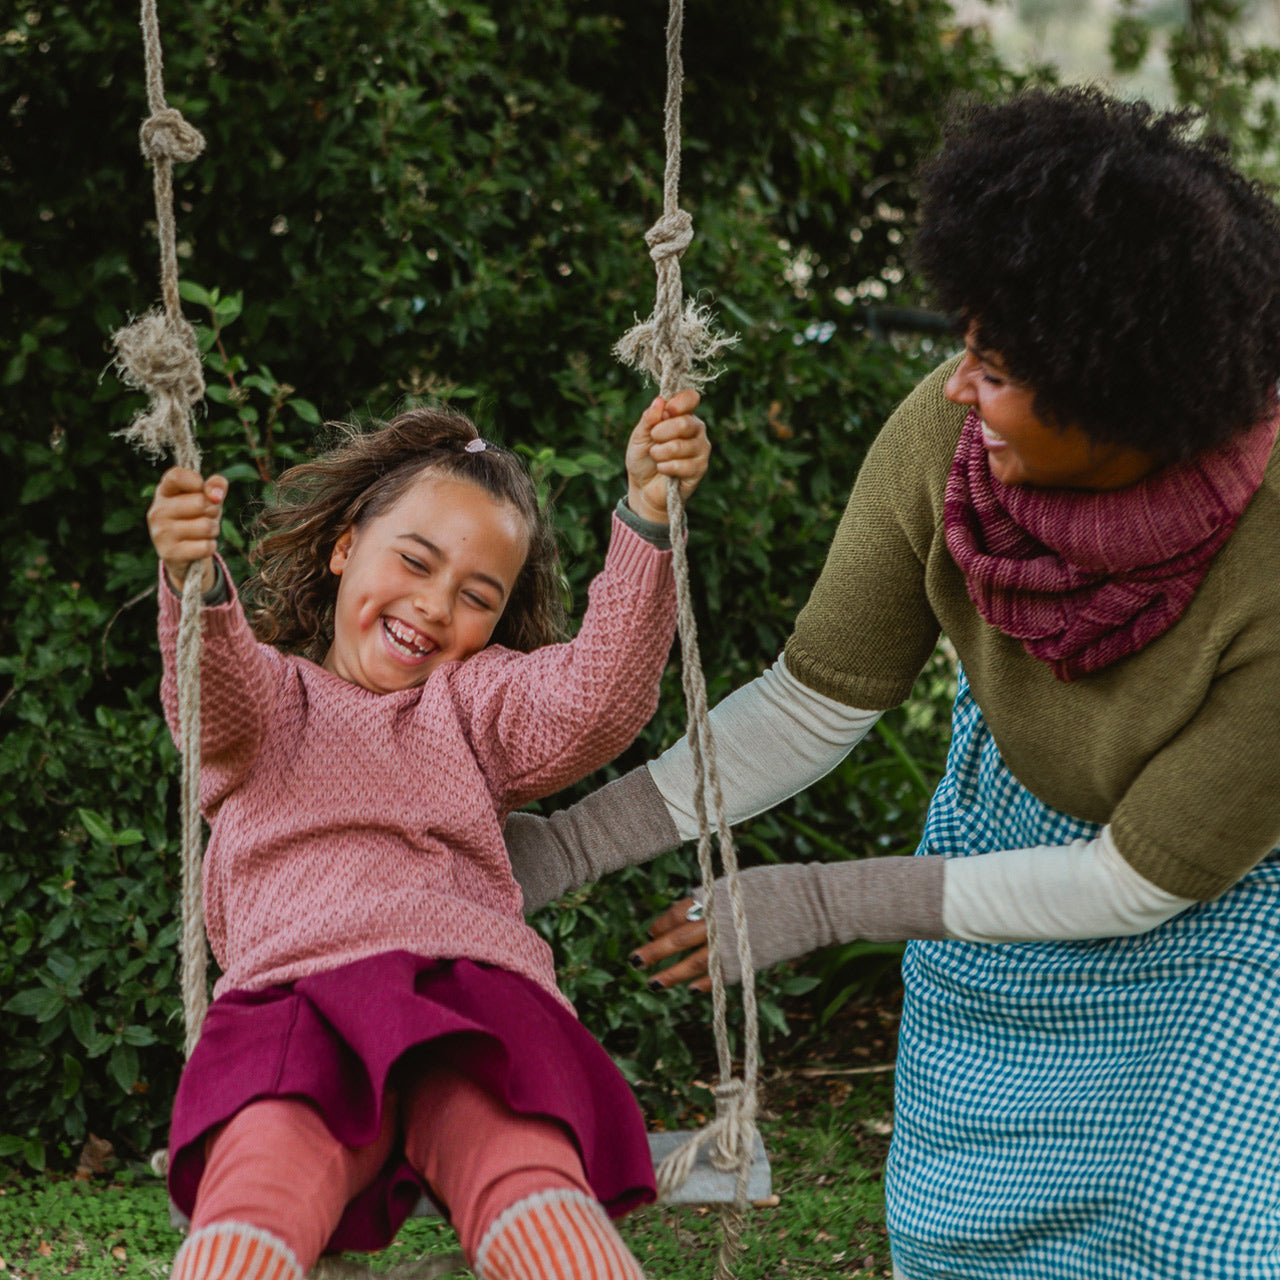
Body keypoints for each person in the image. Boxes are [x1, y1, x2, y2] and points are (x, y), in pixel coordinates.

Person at [502, 86, 1280, 1279]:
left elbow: (1133, 878)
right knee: (961, 1240)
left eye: (1000, 365)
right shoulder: (946, 443)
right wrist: (567, 845)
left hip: (1214, 900)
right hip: (995, 843)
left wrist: (821, 902)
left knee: (1207, 1237)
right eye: (964, 343)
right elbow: (812, 703)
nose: (959, 382)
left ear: (1119, 387)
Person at [146, 390, 709, 1280]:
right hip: (298, 1002)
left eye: (476, 595)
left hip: (470, 998)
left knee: (533, 1191)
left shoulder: (471, 705)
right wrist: (196, 582)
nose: (435, 605)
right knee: (253, 1198)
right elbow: (210, 690)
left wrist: (644, 512)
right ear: (342, 549)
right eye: (414, 561)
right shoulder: (270, 707)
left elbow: (599, 697)